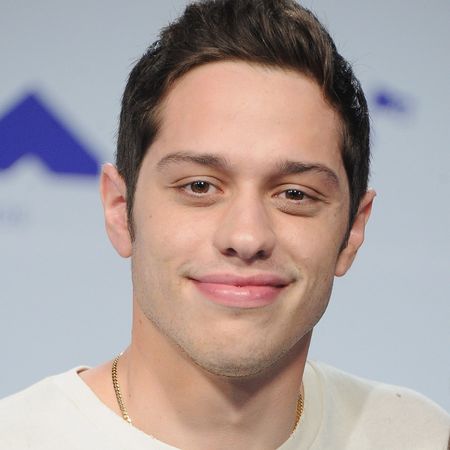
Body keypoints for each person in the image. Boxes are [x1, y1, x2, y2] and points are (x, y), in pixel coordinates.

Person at [1, 0, 449, 449]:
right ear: (120, 209)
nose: (247, 237)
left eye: (295, 194)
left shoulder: (416, 435)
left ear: (352, 231)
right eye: (199, 186)